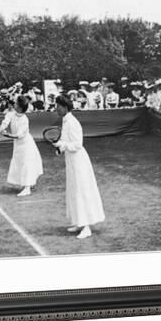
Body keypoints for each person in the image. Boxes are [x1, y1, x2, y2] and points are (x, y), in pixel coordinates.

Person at [53, 95, 105, 239]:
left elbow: (77, 144)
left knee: (81, 191)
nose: (56, 108)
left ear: (64, 107)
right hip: (71, 161)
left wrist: (62, 145)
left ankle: (87, 227)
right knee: (74, 191)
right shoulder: (65, 121)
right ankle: (79, 222)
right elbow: (65, 141)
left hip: (79, 162)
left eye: (58, 105)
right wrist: (60, 148)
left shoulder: (73, 122)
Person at [0, 95, 43, 197]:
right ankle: (29, 183)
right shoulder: (11, 114)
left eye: (15, 103)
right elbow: (4, 124)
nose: (13, 104)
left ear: (19, 107)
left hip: (27, 145)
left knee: (27, 164)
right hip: (18, 145)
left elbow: (19, 135)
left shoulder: (25, 120)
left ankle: (27, 188)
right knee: (20, 163)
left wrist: (8, 135)